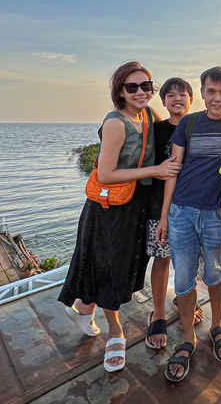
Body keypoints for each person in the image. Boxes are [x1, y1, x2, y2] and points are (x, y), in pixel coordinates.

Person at [58, 61, 182, 373]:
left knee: (121, 266)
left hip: (135, 205)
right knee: (110, 268)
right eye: (132, 87)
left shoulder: (148, 115)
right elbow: (106, 172)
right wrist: (156, 170)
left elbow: (177, 125)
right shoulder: (115, 123)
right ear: (120, 91)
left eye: (146, 86)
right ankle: (115, 331)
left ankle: (84, 308)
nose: (141, 92)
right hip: (110, 208)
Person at [155, 66, 221, 382]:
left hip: (216, 215)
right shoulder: (189, 122)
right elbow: (173, 169)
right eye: (211, 91)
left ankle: (216, 326)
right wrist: (165, 216)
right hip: (182, 212)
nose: (218, 98)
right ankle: (187, 337)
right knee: (182, 278)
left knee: (216, 273)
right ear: (203, 92)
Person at [144, 77, 205, 349]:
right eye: (171, 95)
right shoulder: (154, 130)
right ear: (163, 101)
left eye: (183, 94)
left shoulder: (200, 126)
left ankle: (182, 300)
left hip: (196, 206)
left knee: (189, 261)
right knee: (162, 257)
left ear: (192, 99)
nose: (177, 99)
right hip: (160, 204)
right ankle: (158, 312)